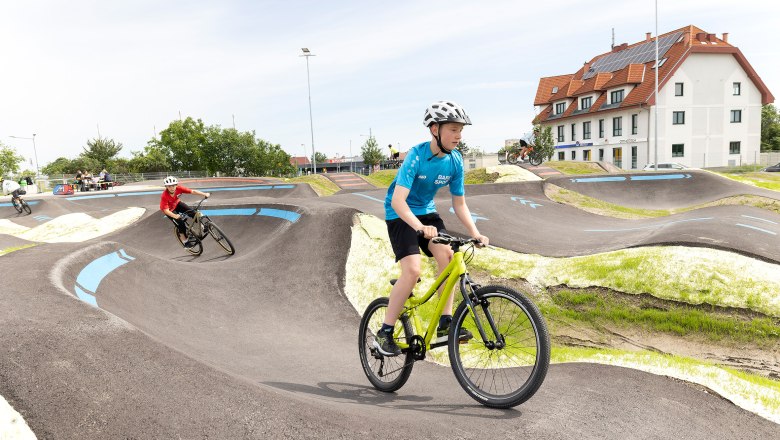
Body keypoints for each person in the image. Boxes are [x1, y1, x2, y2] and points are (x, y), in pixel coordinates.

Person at [374, 101, 490, 356]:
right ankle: (385, 332)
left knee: (447, 255)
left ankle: (445, 324)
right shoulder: (416, 156)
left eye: (461, 130)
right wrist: (419, 228)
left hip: (427, 212)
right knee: (412, 270)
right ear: (435, 129)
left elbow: (459, 204)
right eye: (453, 130)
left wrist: (475, 233)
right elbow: (398, 201)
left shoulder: (455, 161)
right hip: (400, 213)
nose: (459, 136)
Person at [159, 176, 211, 248]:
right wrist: (175, 216)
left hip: (177, 204)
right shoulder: (164, 196)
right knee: (181, 224)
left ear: (176, 185)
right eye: (169, 186)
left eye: (173, 185)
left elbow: (192, 191)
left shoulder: (179, 188)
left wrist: (204, 194)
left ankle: (203, 227)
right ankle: (185, 241)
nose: (172, 188)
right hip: (170, 210)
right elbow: (166, 211)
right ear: (166, 187)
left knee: (193, 213)